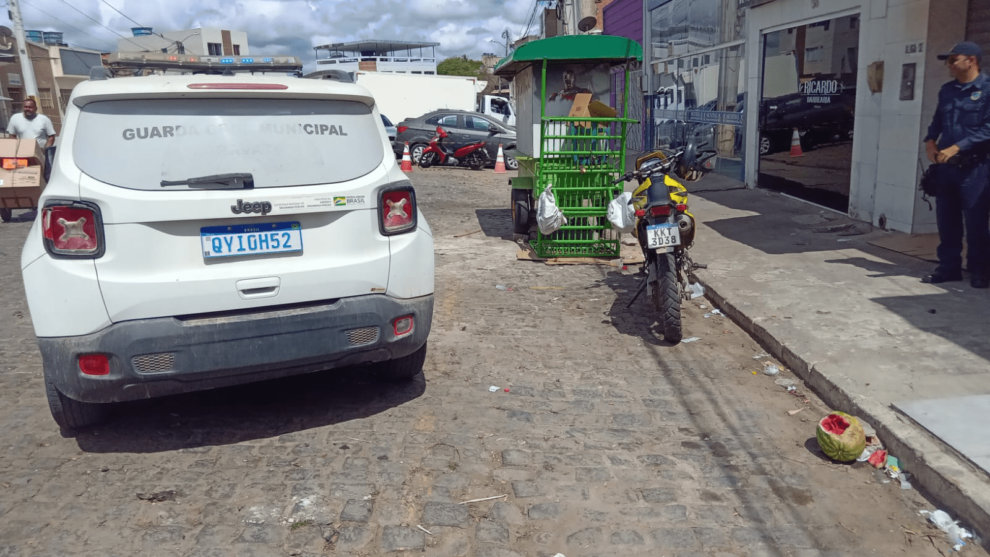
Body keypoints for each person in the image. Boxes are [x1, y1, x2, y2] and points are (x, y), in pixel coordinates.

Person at [922, 42, 990, 288]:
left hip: (975, 169)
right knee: (947, 221)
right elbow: (938, 120)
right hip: (946, 169)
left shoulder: (987, 89)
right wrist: (930, 141)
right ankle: (949, 267)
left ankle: (980, 270)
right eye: (947, 61)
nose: (948, 65)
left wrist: (958, 146)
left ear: (971, 60)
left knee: (976, 223)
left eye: (953, 60)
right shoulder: (947, 91)